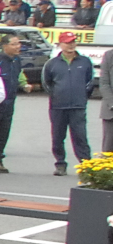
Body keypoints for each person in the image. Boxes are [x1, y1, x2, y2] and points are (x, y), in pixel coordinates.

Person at [44, 30, 93, 174]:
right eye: (67, 42)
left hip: (78, 106)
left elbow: (89, 82)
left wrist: (82, 96)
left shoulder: (85, 61)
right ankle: (60, 163)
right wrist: (56, 96)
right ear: (60, 44)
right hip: (58, 106)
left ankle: (86, 165)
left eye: (73, 42)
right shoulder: (52, 64)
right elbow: (46, 83)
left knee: (80, 136)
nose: (71, 45)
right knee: (58, 136)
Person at [0, 34, 24, 174]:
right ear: (4, 46)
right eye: (14, 44)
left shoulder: (17, 60)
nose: (18, 46)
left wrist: (24, 85)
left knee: (4, 132)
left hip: (10, 101)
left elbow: (18, 76)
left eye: (18, 43)